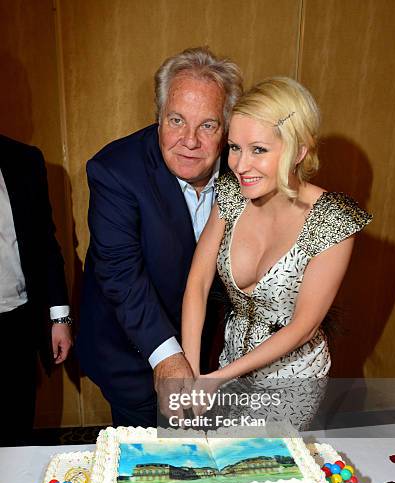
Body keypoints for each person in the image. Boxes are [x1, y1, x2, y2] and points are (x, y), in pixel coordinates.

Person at [181, 77, 372, 430]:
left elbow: (304, 326)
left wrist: (218, 378)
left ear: (299, 150)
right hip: (228, 364)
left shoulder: (333, 218)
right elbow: (198, 280)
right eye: (234, 147)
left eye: (259, 150)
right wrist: (191, 370)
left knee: (262, 470)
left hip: (292, 379)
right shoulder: (231, 194)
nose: (239, 165)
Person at [76, 47, 243, 427]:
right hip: (136, 356)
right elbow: (119, 274)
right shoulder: (115, 171)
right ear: (158, 116)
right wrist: (167, 356)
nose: (190, 140)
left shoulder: (244, 168)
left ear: (227, 126)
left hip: (218, 359)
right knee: (151, 468)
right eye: (177, 120)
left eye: (208, 125)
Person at [0, 135, 72, 445]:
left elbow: (45, 243)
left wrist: (60, 318)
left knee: (16, 430)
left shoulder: (24, 160)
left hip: (17, 322)